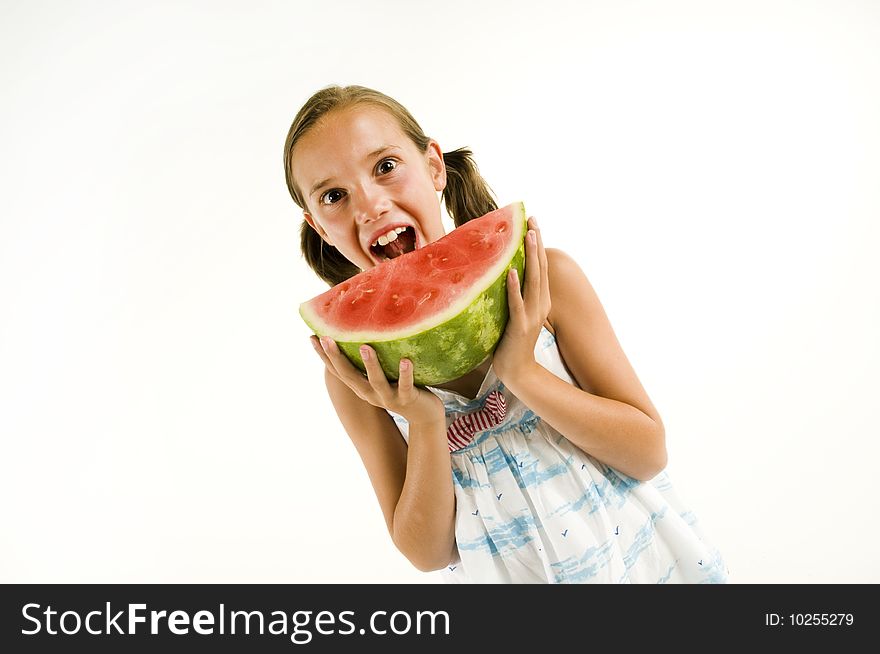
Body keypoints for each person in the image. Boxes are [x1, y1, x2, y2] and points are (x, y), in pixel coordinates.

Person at [284, 84, 728, 583]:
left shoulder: (545, 279)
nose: (369, 205)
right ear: (318, 226)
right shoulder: (357, 373)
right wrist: (424, 422)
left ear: (434, 166)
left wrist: (520, 370)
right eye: (333, 196)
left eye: (385, 166)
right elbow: (428, 553)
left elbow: (648, 453)